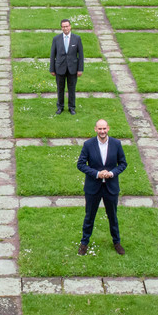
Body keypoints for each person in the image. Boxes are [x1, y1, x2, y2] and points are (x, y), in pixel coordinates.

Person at [76, 119, 127, 256]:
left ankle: (116, 242)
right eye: (100, 129)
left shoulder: (116, 144)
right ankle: (84, 243)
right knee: (89, 217)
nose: (102, 131)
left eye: (104, 129)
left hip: (111, 187)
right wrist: (97, 174)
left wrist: (112, 173)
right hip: (93, 187)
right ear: (95, 129)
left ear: (108, 128)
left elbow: (123, 163)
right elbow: (80, 164)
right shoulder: (88, 145)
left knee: (113, 216)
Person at [49, 18, 84, 115]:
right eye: (63, 26)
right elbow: (53, 55)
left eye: (67, 26)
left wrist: (80, 69)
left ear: (70, 26)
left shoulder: (77, 38)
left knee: (72, 89)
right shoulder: (56, 39)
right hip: (59, 68)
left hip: (72, 69)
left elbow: (80, 55)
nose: (65, 28)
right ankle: (60, 107)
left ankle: (71, 107)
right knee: (60, 89)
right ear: (61, 28)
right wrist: (52, 69)